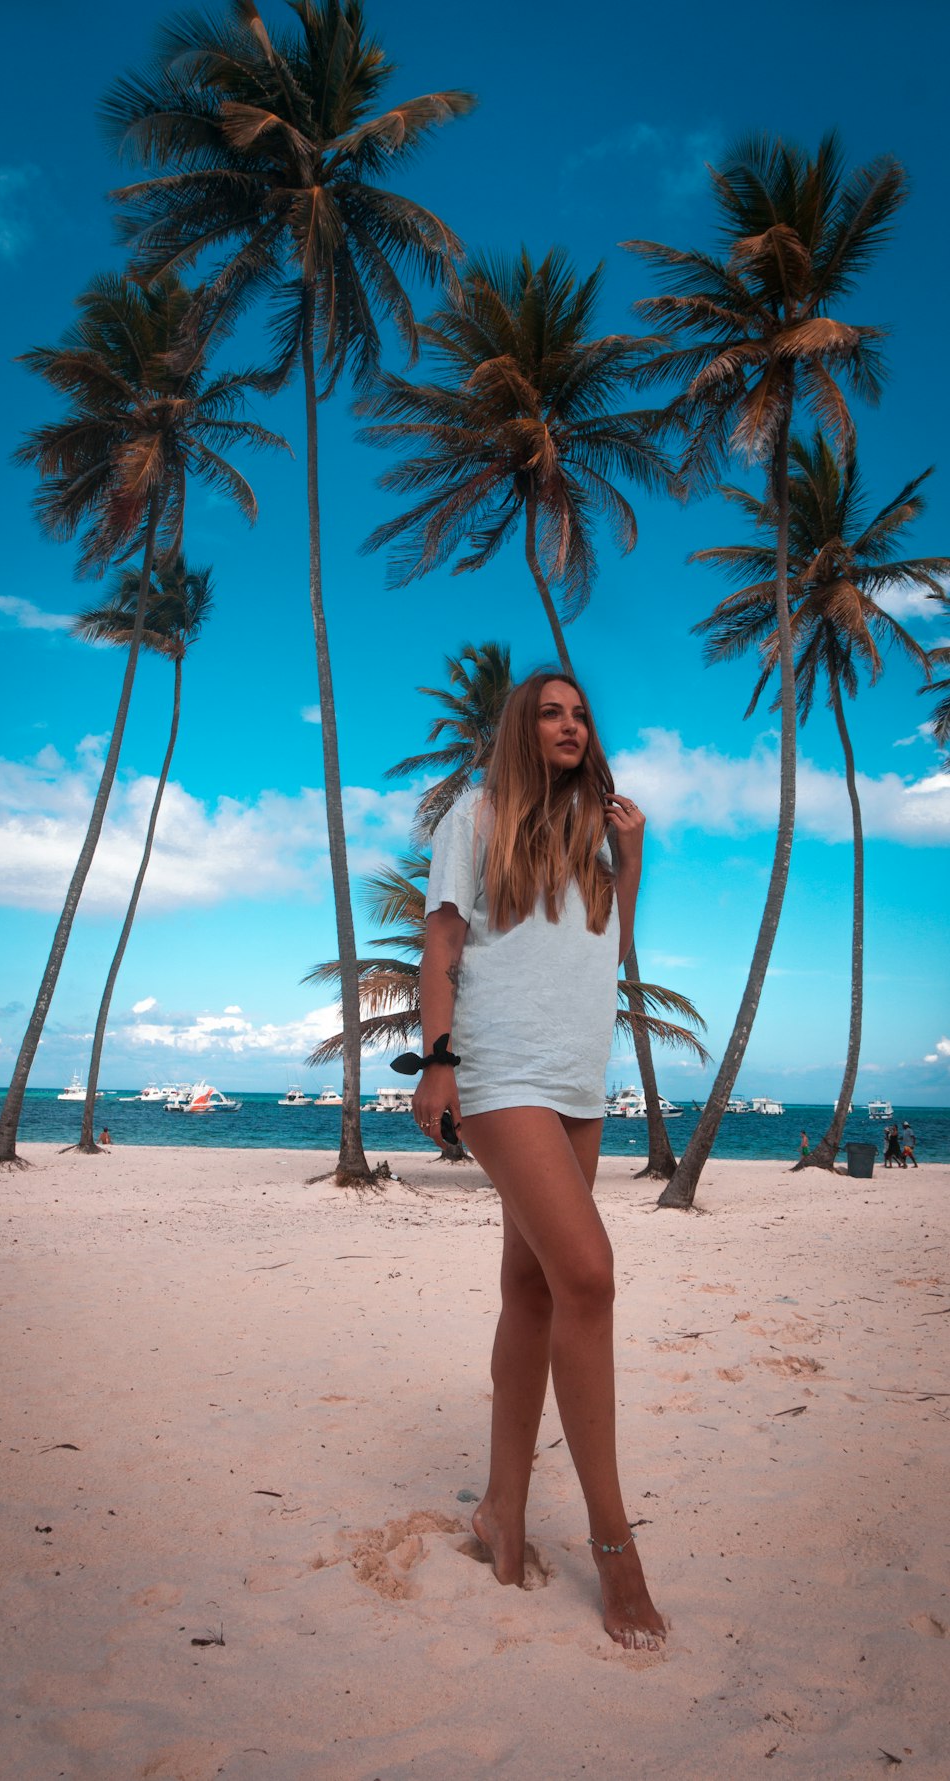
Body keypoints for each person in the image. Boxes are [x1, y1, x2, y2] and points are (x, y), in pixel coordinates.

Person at [411, 670, 665, 1650]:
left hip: (576, 1076)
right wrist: (438, 1062)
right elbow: (439, 940)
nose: (570, 724)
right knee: (590, 1276)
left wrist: (630, 855)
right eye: (551, 712)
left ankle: (500, 1513)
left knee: (534, 1290)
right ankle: (614, 1545)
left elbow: (609, 948)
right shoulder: (473, 815)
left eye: (581, 713)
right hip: (500, 1066)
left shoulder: (596, 831)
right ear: (524, 727)